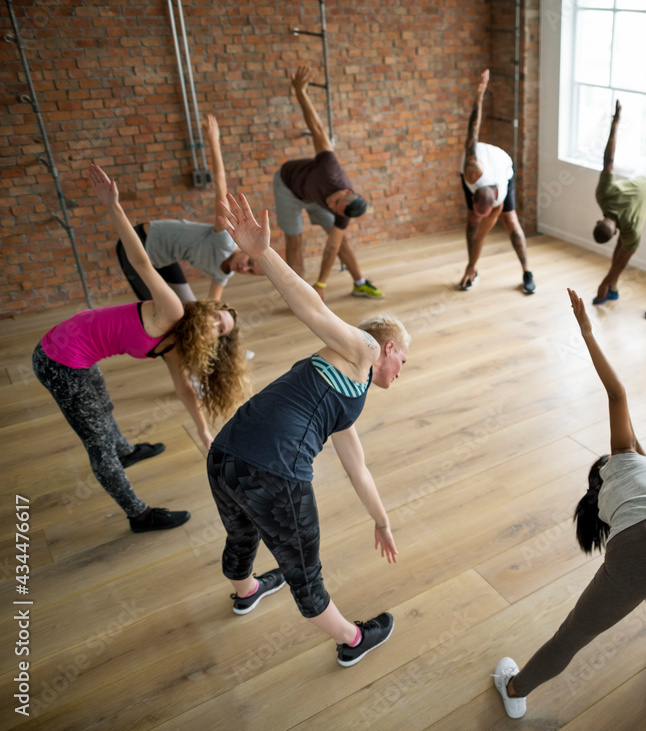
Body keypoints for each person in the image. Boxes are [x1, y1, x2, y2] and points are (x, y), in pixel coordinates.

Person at [492, 288, 646, 719]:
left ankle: (516, 691)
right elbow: (617, 397)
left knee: (574, 634)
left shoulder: (615, 503)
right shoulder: (635, 462)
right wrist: (588, 333)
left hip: (636, 549)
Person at [210, 192, 406, 667]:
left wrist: (381, 521)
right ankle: (352, 640)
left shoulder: (343, 397)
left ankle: (246, 591)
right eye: (404, 356)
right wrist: (262, 253)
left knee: (242, 535)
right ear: (388, 346)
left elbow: (359, 469)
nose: (403, 368)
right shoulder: (363, 348)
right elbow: (313, 310)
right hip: (275, 471)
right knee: (305, 574)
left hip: (225, 454)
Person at [32, 164, 250, 533]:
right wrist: (114, 206)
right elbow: (141, 262)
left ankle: (126, 451)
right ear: (209, 309)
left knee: (103, 405)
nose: (215, 327)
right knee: (97, 440)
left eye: (221, 331)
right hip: (58, 358)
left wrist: (204, 433)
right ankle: (139, 515)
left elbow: (184, 390)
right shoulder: (173, 310)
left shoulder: (175, 345)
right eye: (218, 318)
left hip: (80, 353)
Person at [115, 113, 260, 305]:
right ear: (247, 250)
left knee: (192, 311)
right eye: (249, 263)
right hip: (137, 243)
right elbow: (221, 190)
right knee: (163, 311)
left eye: (249, 272)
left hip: (164, 259)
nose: (244, 268)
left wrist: (217, 323)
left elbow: (212, 305)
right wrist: (213, 142)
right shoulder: (225, 241)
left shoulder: (224, 273)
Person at [275, 65, 382, 301]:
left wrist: (321, 283)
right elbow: (317, 127)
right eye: (335, 203)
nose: (332, 209)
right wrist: (301, 92)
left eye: (336, 210)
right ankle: (298, 296)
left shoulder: (343, 209)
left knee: (339, 239)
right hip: (288, 185)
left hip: (312, 197)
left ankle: (360, 283)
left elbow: (331, 246)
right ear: (345, 191)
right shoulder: (329, 169)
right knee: (295, 240)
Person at [591, 101, 646, 319]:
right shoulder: (602, 194)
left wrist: (603, 281)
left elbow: (624, 259)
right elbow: (608, 161)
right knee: (622, 248)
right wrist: (614, 125)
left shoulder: (631, 227)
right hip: (644, 185)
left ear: (601, 223)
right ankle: (614, 290)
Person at [459, 69, 535, 295]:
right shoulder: (471, 171)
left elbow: (482, 235)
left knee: (511, 221)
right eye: (478, 210)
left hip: (502, 164)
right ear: (473, 198)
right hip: (480, 163)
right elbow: (472, 132)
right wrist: (479, 96)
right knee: (472, 223)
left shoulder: (499, 196)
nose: (481, 215)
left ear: (492, 204)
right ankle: (473, 270)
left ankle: (527, 271)